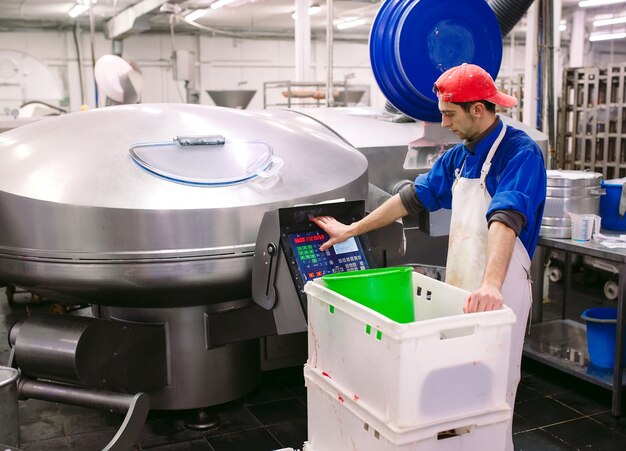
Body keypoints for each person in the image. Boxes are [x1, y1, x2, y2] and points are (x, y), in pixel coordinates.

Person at [312, 63, 546, 451]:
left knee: (493, 389)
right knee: (455, 383)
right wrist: (350, 231)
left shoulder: (519, 153)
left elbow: (507, 216)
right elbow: (410, 199)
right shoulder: (459, 157)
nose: (444, 121)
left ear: (477, 109)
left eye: (449, 113)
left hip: (498, 290)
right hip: (460, 289)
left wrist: (490, 285)